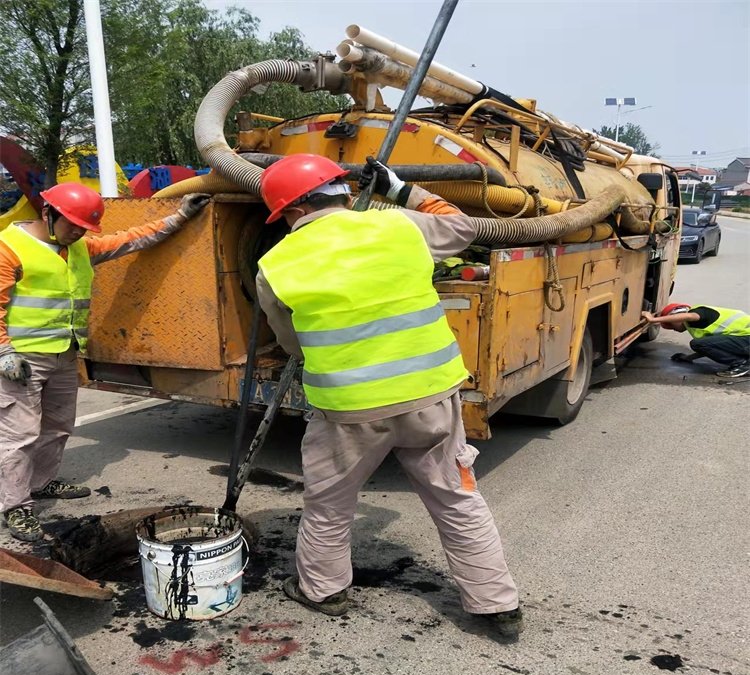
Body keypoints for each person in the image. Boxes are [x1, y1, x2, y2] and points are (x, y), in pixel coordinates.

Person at [255, 154, 522, 637]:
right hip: (431, 399)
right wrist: (404, 190)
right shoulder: (399, 226)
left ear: (289, 211)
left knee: (329, 503)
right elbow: (462, 227)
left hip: (348, 412)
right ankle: (497, 604)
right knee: (457, 498)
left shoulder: (275, 265)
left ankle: (324, 590)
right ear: (339, 191)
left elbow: (291, 343)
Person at [0, 183, 210, 541]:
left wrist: (180, 215)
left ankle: (41, 482)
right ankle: (15, 506)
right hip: (22, 359)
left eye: (84, 227)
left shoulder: (80, 247)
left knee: (58, 426)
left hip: (65, 353)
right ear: (48, 214)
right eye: (73, 225)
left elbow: (131, 239)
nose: (79, 232)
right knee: (18, 436)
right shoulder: (9, 248)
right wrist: (4, 351)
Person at [642, 303, 750, 377]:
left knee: (697, 343)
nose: (673, 329)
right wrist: (688, 358)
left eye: (671, 325)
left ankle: (742, 364)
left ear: (677, 316)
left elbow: (690, 317)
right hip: (745, 340)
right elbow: (712, 348)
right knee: (700, 344)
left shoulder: (698, 313)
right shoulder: (697, 324)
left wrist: (653, 320)